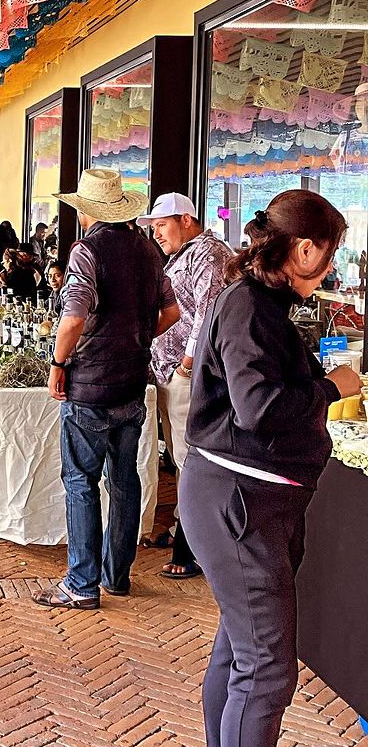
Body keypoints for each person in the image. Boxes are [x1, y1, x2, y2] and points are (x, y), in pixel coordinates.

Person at [179, 191, 360, 747]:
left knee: (240, 652)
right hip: (239, 503)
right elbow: (258, 408)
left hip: (249, 501)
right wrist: (330, 387)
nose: (331, 270)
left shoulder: (263, 304)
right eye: (327, 256)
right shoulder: (249, 308)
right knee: (267, 669)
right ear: (304, 248)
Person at [33, 169, 180, 611]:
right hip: (132, 383)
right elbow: (171, 312)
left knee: (80, 482)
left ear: (87, 211)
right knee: (124, 478)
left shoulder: (87, 251)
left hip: (90, 387)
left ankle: (81, 583)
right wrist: (135, 336)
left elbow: (73, 317)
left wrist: (58, 363)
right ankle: (117, 576)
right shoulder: (148, 249)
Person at [137, 193, 233, 580]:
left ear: (187, 219)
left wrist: (187, 366)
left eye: (162, 224)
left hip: (187, 376)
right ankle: (183, 529)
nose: (157, 233)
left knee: (190, 459)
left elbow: (207, 315)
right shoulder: (185, 253)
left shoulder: (207, 253)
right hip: (168, 372)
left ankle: (192, 548)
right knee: (179, 457)